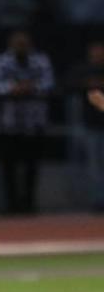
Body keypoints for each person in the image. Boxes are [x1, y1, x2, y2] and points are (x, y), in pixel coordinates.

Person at [0, 30, 54, 215]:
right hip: (9, 122)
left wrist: (31, 87)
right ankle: (11, 204)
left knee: (32, 166)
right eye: (17, 44)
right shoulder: (2, 61)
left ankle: (29, 204)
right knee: (9, 166)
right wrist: (11, 88)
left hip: (34, 122)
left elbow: (49, 83)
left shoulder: (40, 60)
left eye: (24, 43)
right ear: (11, 45)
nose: (21, 47)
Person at [67, 42, 104, 211]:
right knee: (94, 167)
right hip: (91, 125)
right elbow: (69, 84)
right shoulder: (82, 71)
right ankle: (99, 201)